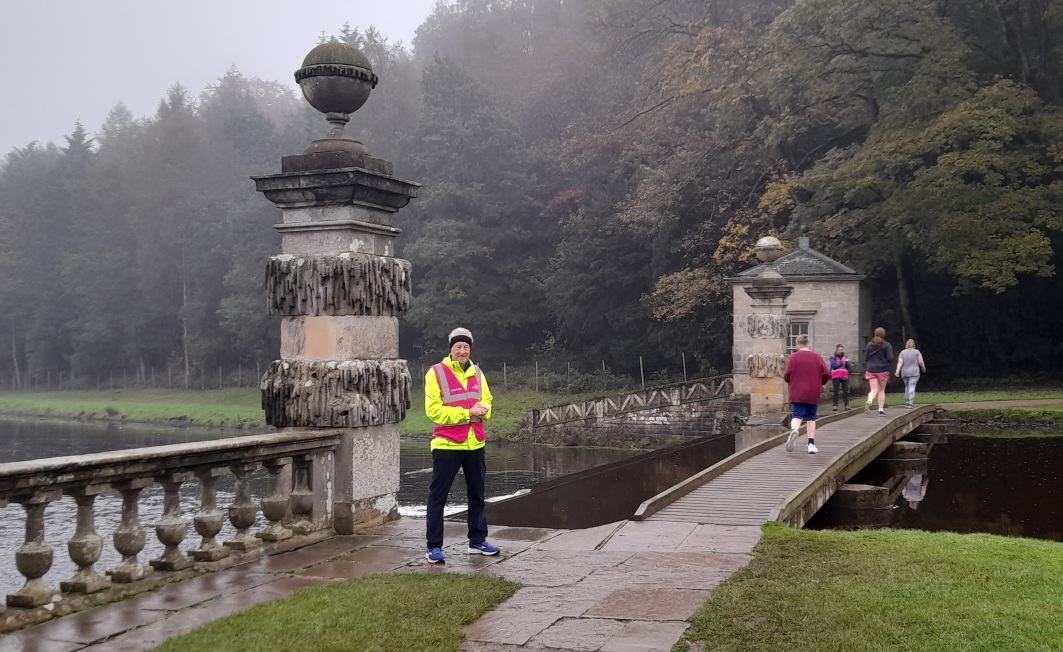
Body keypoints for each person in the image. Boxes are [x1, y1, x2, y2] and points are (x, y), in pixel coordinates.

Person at [424, 327, 500, 564]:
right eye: (458, 346)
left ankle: (477, 541)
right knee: (439, 496)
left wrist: (484, 410)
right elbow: (433, 410)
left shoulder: (478, 372)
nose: (462, 351)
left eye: (466, 346)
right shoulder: (435, 373)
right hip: (447, 443)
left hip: (475, 442)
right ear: (451, 349)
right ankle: (434, 547)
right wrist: (468, 412)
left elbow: (487, 399)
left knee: (477, 494)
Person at [783, 334, 831, 454]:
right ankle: (811, 444)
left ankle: (794, 430)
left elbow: (787, 375)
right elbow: (826, 374)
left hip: (797, 391)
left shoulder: (793, 357)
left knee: (797, 415)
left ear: (797, 345)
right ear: (809, 345)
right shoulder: (817, 357)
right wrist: (820, 382)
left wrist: (791, 381)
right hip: (813, 391)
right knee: (811, 417)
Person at [862, 327, 894, 416]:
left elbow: (865, 358)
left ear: (875, 334)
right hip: (883, 370)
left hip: (871, 370)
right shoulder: (887, 345)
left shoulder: (869, 345)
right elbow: (890, 358)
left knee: (873, 390)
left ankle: (869, 401)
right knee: (881, 390)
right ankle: (880, 410)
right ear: (884, 335)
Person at [896, 339, 927, 408]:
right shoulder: (917, 352)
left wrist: (897, 370)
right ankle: (910, 402)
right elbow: (921, 362)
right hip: (914, 372)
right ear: (914, 344)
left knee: (907, 387)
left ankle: (907, 401)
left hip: (904, 372)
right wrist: (923, 368)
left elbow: (900, 362)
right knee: (912, 386)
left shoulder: (902, 352)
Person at [830, 344, 851, 411]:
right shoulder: (833, 357)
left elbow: (849, 368)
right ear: (837, 349)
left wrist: (847, 363)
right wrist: (842, 362)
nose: (840, 351)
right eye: (839, 350)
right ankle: (835, 405)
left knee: (846, 391)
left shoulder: (845, 357)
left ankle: (847, 405)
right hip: (836, 376)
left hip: (844, 376)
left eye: (841, 350)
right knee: (836, 391)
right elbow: (834, 366)